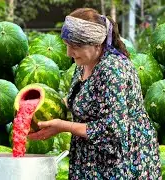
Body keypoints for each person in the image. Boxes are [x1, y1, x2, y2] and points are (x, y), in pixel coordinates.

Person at [28, 8, 161, 179]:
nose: (69, 53)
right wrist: (37, 110)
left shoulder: (113, 70)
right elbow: (80, 99)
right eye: (67, 45)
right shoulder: (83, 64)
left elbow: (113, 129)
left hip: (121, 160)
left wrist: (63, 126)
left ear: (96, 44)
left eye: (74, 47)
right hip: (93, 158)